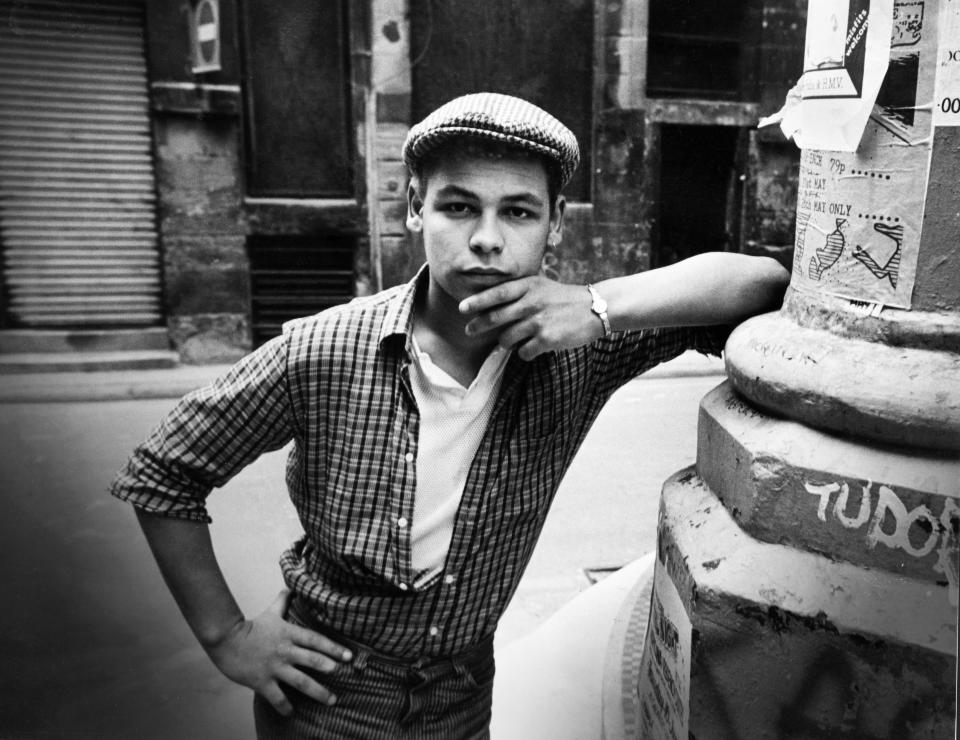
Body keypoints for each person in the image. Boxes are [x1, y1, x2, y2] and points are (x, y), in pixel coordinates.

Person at [111, 92, 789, 738]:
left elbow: (760, 285)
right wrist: (228, 638)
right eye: (459, 207)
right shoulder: (324, 350)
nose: (487, 240)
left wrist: (598, 304)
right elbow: (163, 474)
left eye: (519, 212)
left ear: (556, 221)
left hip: (462, 699)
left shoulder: (578, 349)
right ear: (415, 207)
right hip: (327, 696)